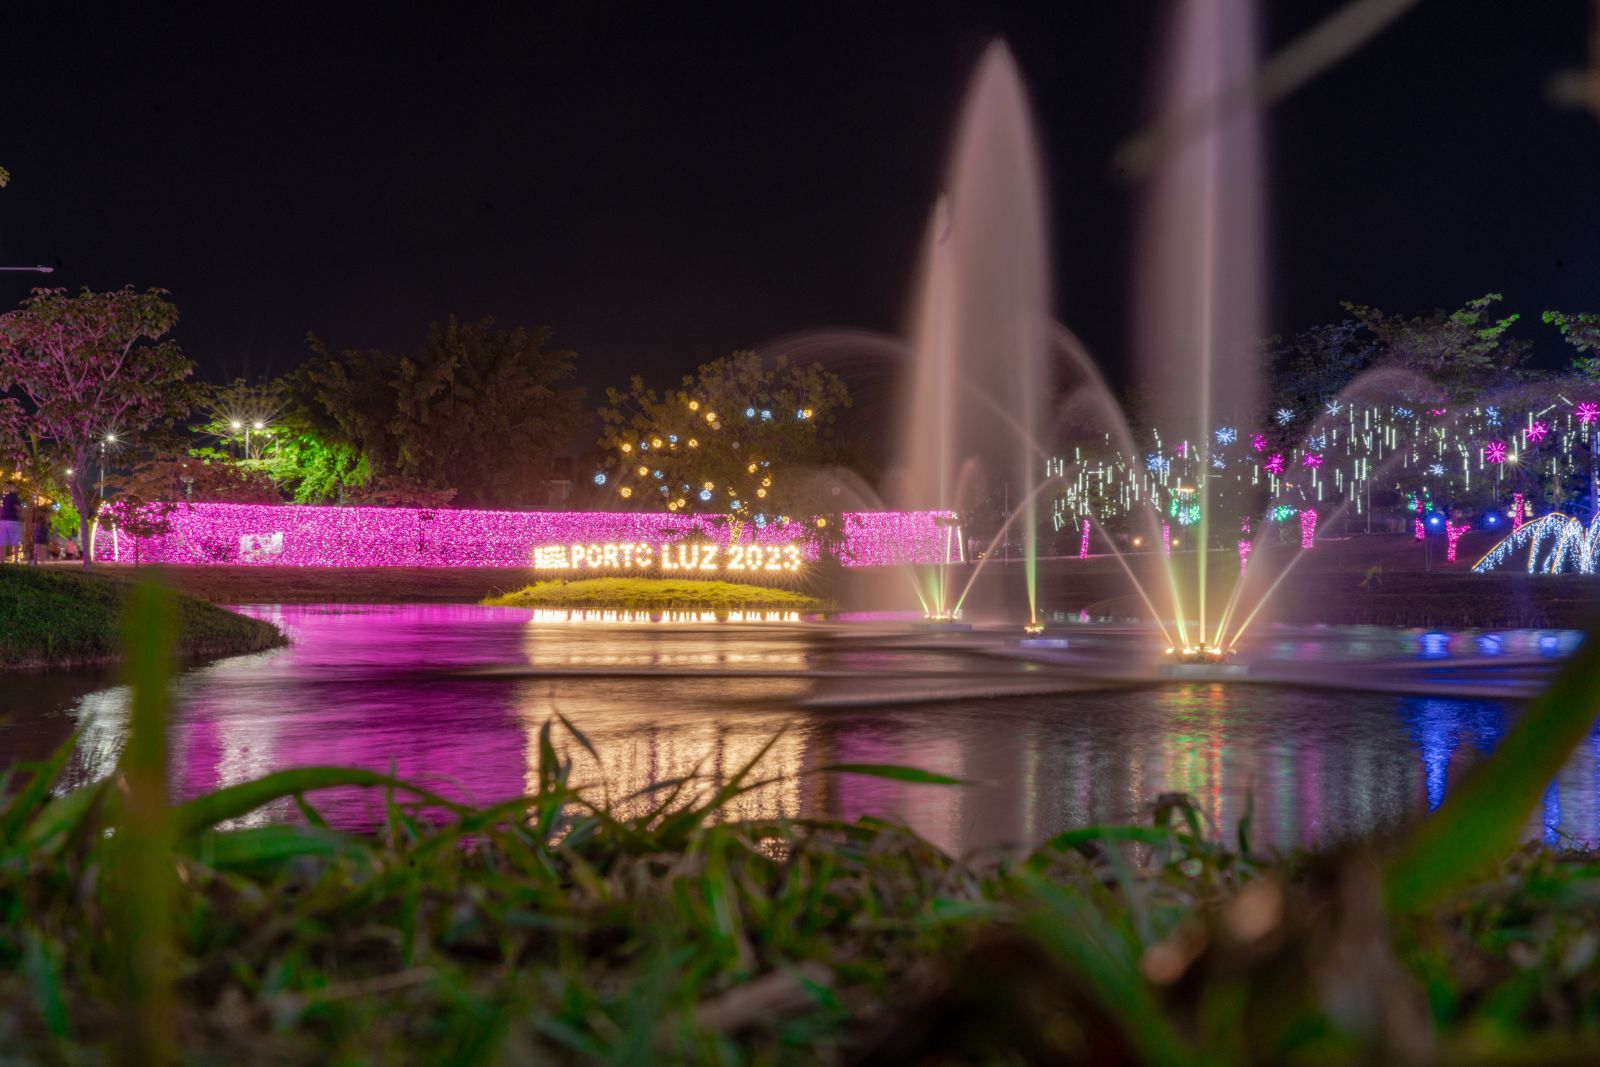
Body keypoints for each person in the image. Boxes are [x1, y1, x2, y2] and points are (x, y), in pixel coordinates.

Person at [0, 486, 22, 564]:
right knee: (15, 541)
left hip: (2, 521)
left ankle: (2, 561)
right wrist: (20, 515)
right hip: (12, 520)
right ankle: (15, 560)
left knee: (2, 542)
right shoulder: (14, 497)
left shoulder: (3, 497)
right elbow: (18, 508)